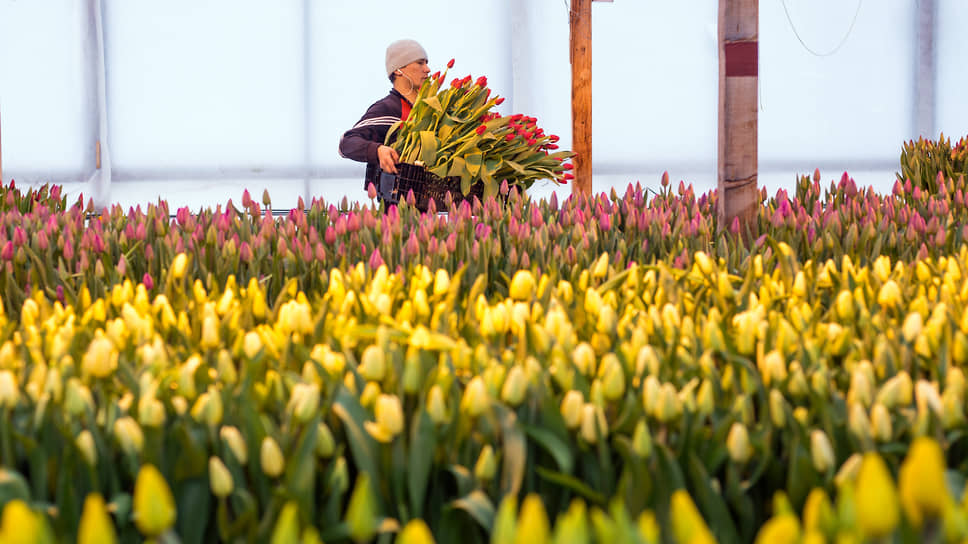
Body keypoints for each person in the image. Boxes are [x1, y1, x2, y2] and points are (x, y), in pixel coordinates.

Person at [339, 39, 431, 194]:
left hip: (431, 210)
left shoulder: (429, 111)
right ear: (398, 70)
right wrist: (378, 150)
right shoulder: (387, 108)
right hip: (397, 212)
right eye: (420, 63)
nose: (427, 69)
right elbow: (346, 143)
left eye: (426, 63)